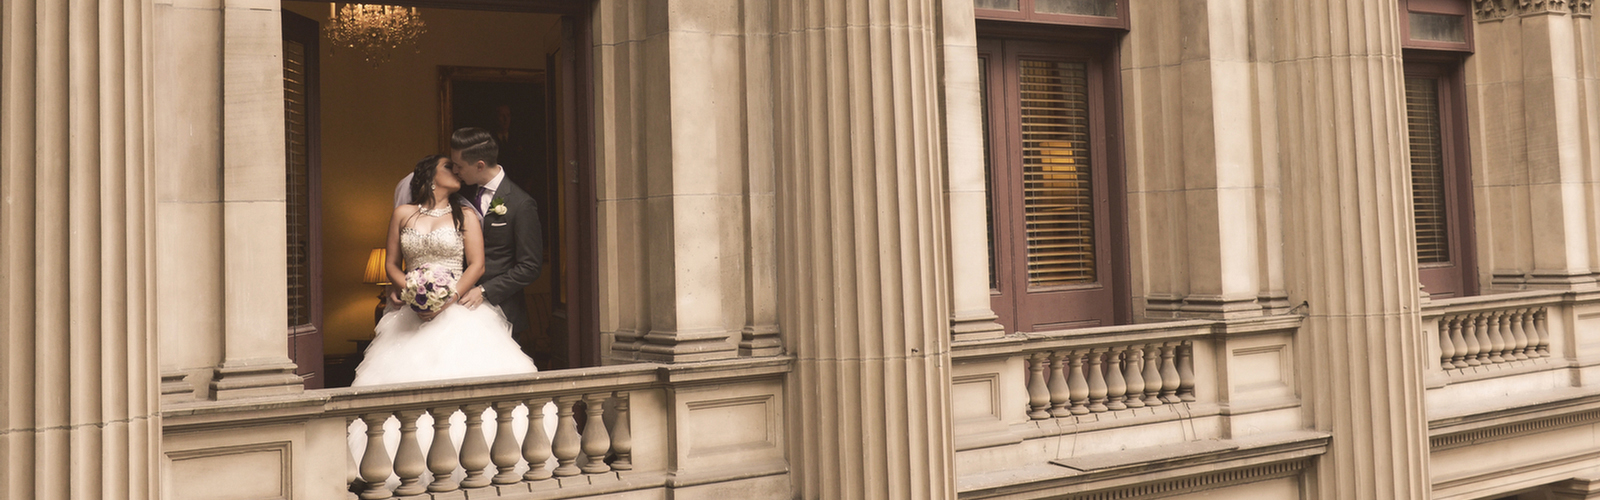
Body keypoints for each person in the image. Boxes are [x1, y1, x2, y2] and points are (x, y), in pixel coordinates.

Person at [348, 155, 554, 488]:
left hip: (458, 308)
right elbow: (392, 265)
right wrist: (413, 292)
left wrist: (447, 299)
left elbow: (476, 265)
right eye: (448, 166)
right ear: (430, 176)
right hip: (412, 314)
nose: (456, 171)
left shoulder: (465, 215)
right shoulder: (403, 214)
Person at [447, 127, 543, 350]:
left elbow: (530, 267)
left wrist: (484, 291)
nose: (455, 170)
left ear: (480, 165)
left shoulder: (521, 203)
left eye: (459, 166)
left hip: (502, 311)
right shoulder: (460, 193)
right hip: (457, 313)